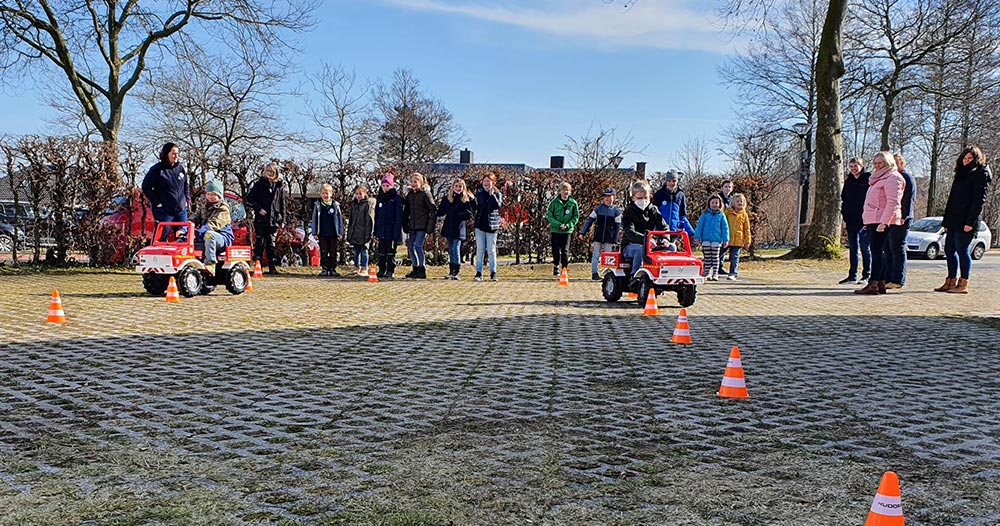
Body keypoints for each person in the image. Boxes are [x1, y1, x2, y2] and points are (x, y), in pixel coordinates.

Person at [935, 145, 992, 294]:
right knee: (949, 249)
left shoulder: (981, 174)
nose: (966, 161)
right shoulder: (961, 174)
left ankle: (963, 282)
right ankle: (950, 280)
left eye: (969, 159)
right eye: (964, 158)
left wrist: (970, 222)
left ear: (976, 159)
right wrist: (946, 222)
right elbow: (952, 200)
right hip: (953, 219)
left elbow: (979, 201)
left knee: (962, 250)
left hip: (966, 220)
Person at [855, 152, 904, 295]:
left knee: (877, 252)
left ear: (888, 163)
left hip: (881, 220)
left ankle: (874, 283)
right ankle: (880, 282)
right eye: (875, 163)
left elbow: (893, 202)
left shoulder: (893, 178)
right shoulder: (878, 178)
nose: (877, 165)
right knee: (877, 252)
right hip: (873, 219)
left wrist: (884, 222)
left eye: (880, 163)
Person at [621, 180, 667, 287]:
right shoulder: (629, 211)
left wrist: (665, 238)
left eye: (645, 198)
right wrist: (646, 240)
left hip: (651, 243)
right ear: (633, 198)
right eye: (639, 198)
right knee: (640, 249)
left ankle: (666, 274)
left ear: (650, 197)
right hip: (630, 245)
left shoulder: (653, 209)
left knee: (671, 248)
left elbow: (663, 226)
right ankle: (635, 277)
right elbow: (629, 232)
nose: (643, 201)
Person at [141, 142, 189, 241]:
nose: (176, 156)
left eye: (177, 154)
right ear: (167, 154)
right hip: (164, 211)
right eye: (173, 153)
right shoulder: (157, 169)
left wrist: (186, 200)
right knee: (161, 237)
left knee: (183, 237)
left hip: (180, 210)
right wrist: (157, 203)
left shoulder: (180, 168)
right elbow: (146, 186)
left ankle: (180, 256)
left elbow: (185, 185)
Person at [246, 162, 286, 274]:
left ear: (275, 173)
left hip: (274, 219)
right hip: (261, 219)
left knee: (271, 243)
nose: (269, 173)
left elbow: (282, 204)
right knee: (259, 242)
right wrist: (259, 209)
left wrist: (283, 220)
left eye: (271, 172)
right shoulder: (259, 184)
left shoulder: (279, 186)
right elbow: (250, 198)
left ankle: (272, 266)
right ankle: (258, 265)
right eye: (267, 171)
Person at [884, 154, 916, 289]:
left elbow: (909, 198)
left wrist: (904, 216)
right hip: (889, 218)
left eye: (897, 163)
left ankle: (898, 279)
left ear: (902, 163)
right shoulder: (890, 178)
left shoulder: (906, 177)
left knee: (897, 248)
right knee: (887, 248)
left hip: (902, 218)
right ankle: (887, 277)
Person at [840, 156, 872, 284]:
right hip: (851, 219)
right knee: (853, 248)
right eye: (851, 166)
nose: (853, 169)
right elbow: (844, 199)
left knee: (865, 248)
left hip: (864, 220)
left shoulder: (868, 179)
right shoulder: (849, 181)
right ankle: (852, 275)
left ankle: (866, 275)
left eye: (856, 166)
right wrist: (845, 215)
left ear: (861, 166)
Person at [578, 187, 622, 281]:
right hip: (598, 236)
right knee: (596, 255)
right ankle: (594, 273)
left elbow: (617, 227)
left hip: (609, 237)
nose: (607, 198)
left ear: (614, 197)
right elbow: (589, 221)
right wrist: (583, 232)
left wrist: (615, 239)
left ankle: (608, 274)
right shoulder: (598, 209)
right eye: (606, 196)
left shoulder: (616, 212)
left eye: (610, 196)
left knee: (608, 256)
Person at [436, 178, 475, 280]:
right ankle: (451, 270)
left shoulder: (465, 200)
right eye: (456, 186)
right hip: (449, 226)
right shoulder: (447, 198)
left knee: (455, 248)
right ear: (453, 187)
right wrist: (440, 212)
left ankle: (457, 271)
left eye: (460, 186)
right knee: (451, 249)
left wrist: (457, 215)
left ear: (463, 188)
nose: (458, 188)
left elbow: (469, 214)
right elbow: (441, 210)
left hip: (459, 228)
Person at [193, 179, 233, 273]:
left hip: (222, 237)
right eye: (208, 194)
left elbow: (213, 224)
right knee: (186, 239)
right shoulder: (204, 207)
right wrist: (185, 229)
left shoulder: (223, 209)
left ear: (219, 195)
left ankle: (210, 263)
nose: (210, 197)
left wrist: (197, 232)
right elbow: (194, 218)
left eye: (213, 194)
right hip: (204, 234)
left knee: (209, 235)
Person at [402, 172, 436, 279]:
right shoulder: (410, 195)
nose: (413, 184)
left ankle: (422, 268)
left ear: (421, 182)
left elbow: (433, 210)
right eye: (411, 182)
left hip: (422, 225)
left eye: (415, 182)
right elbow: (406, 211)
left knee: (418, 245)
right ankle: (415, 267)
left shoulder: (425, 194)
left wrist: (430, 226)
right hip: (412, 225)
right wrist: (405, 224)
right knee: (411, 246)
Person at [308, 183, 345, 277]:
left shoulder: (335, 206)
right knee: (324, 252)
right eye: (323, 193)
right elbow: (314, 219)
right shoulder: (318, 206)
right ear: (320, 194)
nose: (325, 195)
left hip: (333, 234)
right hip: (322, 234)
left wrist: (340, 232)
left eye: (327, 193)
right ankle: (324, 269)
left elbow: (340, 220)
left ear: (331, 194)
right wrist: (314, 232)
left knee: (333, 252)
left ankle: (333, 269)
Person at [472, 172, 503, 282]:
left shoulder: (497, 194)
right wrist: (471, 199)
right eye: (484, 181)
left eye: (488, 181)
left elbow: (498, 206)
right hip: (480, 225)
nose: (486, 183)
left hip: (492, 226)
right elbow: (476, 207)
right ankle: (478, 272)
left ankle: (493, 272)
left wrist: (492, 195)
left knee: (491, 250)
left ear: (493, 183)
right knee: (480, 250)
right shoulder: (479, 194)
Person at [546, 181, 580, 277]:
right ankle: (556, 265)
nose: (566, 192)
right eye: (564, 190)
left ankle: (564, 268)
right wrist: (558, 225)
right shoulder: (554, 203)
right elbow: (550, 216)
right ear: (559, 191)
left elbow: (576, 216)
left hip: (567, 231)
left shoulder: (573, 203)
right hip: (556, 230)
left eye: (568, 190)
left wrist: (568, 225)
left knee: (565, 250)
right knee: (555, 249)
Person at [374, 173, 404, 279]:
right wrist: (376, 230)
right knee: (381, 251)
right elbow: (377, 215)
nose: (385, 188)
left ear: (392, 186)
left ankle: (390, 270)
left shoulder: (396, 199)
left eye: (388, 186)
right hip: (381, 230)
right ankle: (381, 270)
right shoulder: (380, 198)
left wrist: (397, 232)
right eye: (384, 185)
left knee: (390, 252)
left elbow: (399, 217)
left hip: (392, 231)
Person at [693, 195, 730, 281]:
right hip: (706, 239)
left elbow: (725, 228)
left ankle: (715, 273)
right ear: (709, 203)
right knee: (707, 257)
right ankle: (707, 273)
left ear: (720, 204)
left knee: (715, 257)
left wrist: (726, 239)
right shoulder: (705, 214)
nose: (714, 204)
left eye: (716, 203)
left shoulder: (721, 215)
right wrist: (697, 237)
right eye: (712, 202)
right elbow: (700, 226)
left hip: (716, 240)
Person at [652, 171, 695, 238]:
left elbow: (682, 216)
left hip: (674, 231)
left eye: (674, 181)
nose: (672, 183)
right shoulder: (659, 194)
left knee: (672, 247)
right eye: (669, 181)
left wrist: (691, 233)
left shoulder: (680, 195)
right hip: (661, 231)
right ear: (666, 181)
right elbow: (654, 213)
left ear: (677, 181)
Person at [346, 184, 376, 277]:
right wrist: (350, 232)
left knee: (364, 251)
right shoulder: (354, 205)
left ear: (365, 194)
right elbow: (351, 220)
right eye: (356, 193)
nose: (358, 195)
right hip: (355, 232)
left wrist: (369, 234)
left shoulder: (368, 204)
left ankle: (364, 268)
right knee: (356, 251)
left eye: (360, 193)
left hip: (364, 232)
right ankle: (356, 267)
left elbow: (369, 220)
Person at [723, 193, 751, 281]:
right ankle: (717, 270)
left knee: (734, 257)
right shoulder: (727, 212)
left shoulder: (744, 214)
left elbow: (747, 228)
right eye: (738, 201)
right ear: (733, 203)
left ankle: (733, 273)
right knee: (719, 254)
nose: (740, 203)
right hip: (727, 238)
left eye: (741, 201)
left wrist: (747, 240)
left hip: (738, 240)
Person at [715, 179, 735, 275]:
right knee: (719, 247)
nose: (727, 189)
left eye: (729, 187)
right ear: (722, 188)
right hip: (718, 224)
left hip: (729, 224)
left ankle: (720, 266)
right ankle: (715, 265)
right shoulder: (718, 198)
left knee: (724, 246)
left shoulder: (732, 199)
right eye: (726, 187)